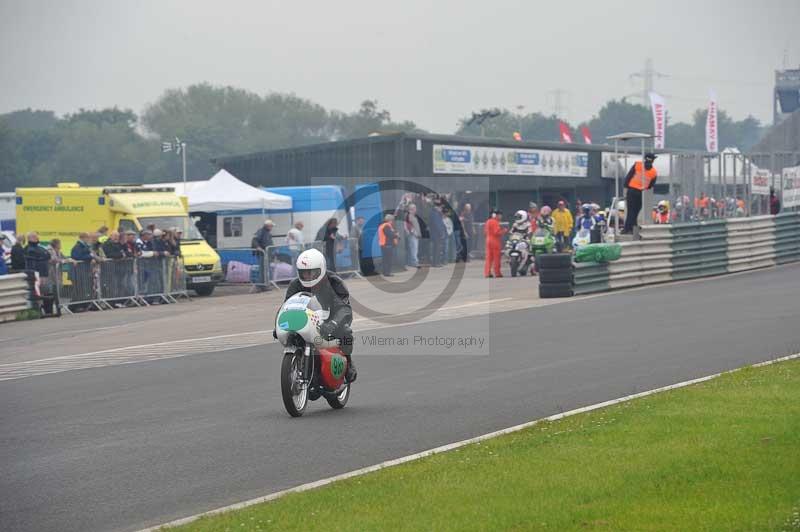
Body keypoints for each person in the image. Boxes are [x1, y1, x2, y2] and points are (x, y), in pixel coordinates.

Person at [278, 248, 357, 383]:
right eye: (304, 274)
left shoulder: (334, 282)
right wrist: (278, 325)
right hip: (308, 317)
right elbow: (286, 306)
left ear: (321, 269)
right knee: (293, 336)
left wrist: (332, 324)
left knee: (346, 332)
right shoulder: (295, 284)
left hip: (332, 317)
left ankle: (348, 363)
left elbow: (344, 309)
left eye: (311, 273)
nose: (307, 277)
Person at [623, 153, 658, 233]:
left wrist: (626, 187)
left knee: (631, 211)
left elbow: (629, 176)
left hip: (631, 191)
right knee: (635, 211)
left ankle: (628, 228)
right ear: (653, 161)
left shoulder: (637, 165)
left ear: (645, 159)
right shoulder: (654, 172)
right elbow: (650, 185)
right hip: (639, 193)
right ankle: (632, 228)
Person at [483, 210, 507, 278]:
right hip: (495, 241)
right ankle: (497, 273)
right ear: (496, 215)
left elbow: (485, 232)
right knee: (496, 258)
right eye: (500, 215)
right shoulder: (495, 222)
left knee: (489, 258)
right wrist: (504, 231)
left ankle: (487, 273)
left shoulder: (488, 221)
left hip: (488, 240)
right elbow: (496, 232)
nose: (501, 216)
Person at [404, 204, 422, 268]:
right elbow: (408, 226)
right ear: (412, 209)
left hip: (414, 235)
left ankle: (410, 262)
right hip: (413, 235)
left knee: (412, 249)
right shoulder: (409, 216)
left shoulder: (412, 216)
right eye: (415, 208)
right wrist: (414, 233)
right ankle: (415, 262)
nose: (416, 209)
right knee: (414, 249)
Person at [429, 203, 447, 267]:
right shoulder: (435, 214)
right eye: (440, 208)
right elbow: (437, 225)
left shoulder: (435, 213)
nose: (441, 209)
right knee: (437, 248)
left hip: (436, 233)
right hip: (436, 234)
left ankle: (436, 262)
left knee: (437, 248)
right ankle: (436, 263)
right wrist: (441, 233)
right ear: (437, 207)